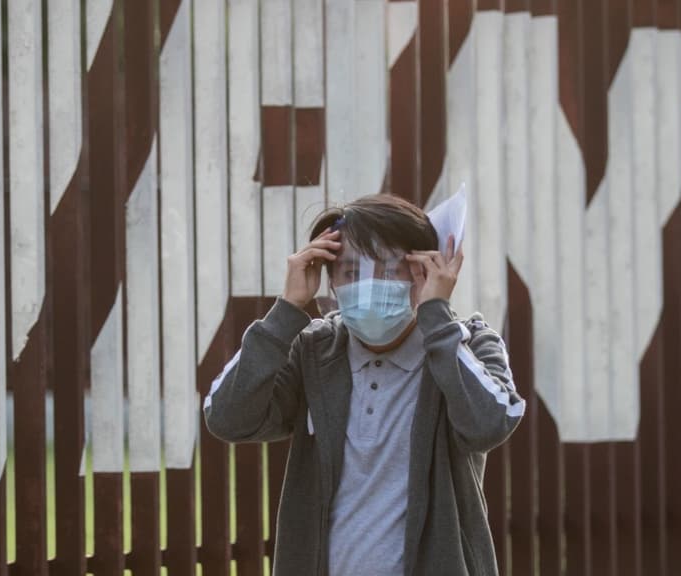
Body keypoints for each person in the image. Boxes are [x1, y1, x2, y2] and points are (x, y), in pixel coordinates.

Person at [203, 193, 525, 575]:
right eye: (351, 273)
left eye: (390, 270)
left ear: (424, 271)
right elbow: (226, 417)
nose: (370, 287)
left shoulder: (467, 344)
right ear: (331, 281)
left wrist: (438, 319)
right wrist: (286, 311)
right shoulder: (314, 351)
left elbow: (490, 423)